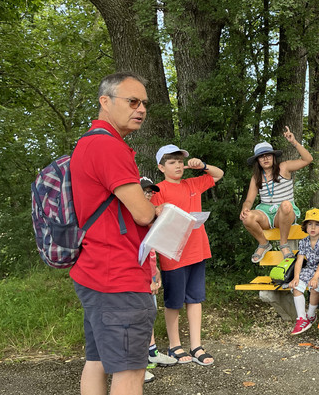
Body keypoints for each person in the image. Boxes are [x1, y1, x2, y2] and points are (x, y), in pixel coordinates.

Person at [70, 71, 159, 394]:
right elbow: (142, 212)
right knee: (131, 371)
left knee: (97, 361)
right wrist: (158, 212)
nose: (141, 109)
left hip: (94, 269)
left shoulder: (88, 143)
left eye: (144, 103)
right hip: (118, 275)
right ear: (104, 102)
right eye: (132, 101)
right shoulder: (110, 148)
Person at [151, 145, 224, 366]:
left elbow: (218, 174)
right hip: (173, 253)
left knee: (195, 299)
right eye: (172, 162)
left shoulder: (193, 183)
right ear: (161, 167)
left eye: (180, 161)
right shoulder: (157, 190)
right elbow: (150, 216)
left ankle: (196, 345)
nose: (178, 165)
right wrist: (159, 209)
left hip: (198, 249)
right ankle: (175, 346)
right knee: (174, 301)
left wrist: (202, 166)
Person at [240, 127, 313, 263]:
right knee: (247, 217)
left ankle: (283, 244)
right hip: (266, 213)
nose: (265, 158)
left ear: (273, 156)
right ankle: (263, 244)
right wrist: (245, 208)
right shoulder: (256, 177)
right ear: (258, 161)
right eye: (261, 156)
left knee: (285, 205)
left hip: (284, 213)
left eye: (268, 155)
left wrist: (294, 142)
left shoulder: (284, 167)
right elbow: (249, 200)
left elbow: (308, 159)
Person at [139, 178, 178, 384]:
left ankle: (151, 353)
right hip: (136, 278)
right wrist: (147, 278)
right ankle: (136, 365)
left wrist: (156, 273)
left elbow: (151, 250)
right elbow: (135, 254)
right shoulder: (134, 217)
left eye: (150, 193)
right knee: (139, 320)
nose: (148, 196)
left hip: (150, 274)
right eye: (144, 192)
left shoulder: (148, 219)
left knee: (150, 315)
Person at [289, 208, 319, 335]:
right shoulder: (303, 242)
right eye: (310, 224)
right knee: (296, 286)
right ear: (305, 226)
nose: (313, 227)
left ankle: (311, 315)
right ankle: (302, 318)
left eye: (317, 224)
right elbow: (299, 261)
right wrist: (296, 277)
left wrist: (316, 277)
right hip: (309, 269)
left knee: (314, 287)